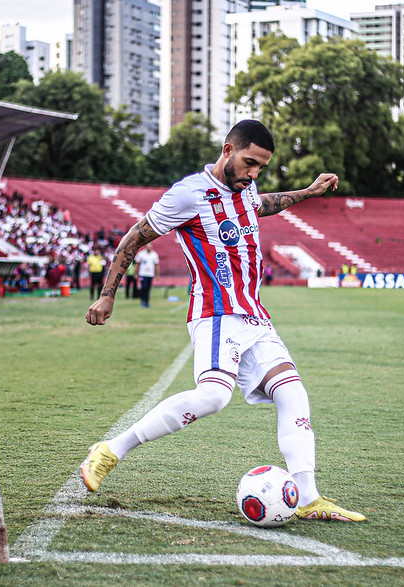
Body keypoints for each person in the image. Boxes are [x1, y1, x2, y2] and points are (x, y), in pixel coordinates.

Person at [81, 119, 364, 522]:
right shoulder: (188, 194)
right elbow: (135, 237)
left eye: (261, 169)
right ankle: (110, 451)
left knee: (293, 394)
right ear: (228, 150)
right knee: (214, 396)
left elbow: (260, 204)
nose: (254, 175)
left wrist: (307, 192)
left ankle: (308, 499)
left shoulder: (244, 187)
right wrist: (108, 294)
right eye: (250, 163)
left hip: (253, 314)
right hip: (216, 311)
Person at [135, 243, 159, 308]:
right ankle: (142, 301)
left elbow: (156, 265)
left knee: (148, 288)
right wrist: (136, 273)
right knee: (144, 287)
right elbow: (137, 264)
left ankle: (147, 302)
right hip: (143, 274)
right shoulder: (141, 254)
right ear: (146, 246)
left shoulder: (154, 255)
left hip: (150, 274)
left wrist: (157, 275)